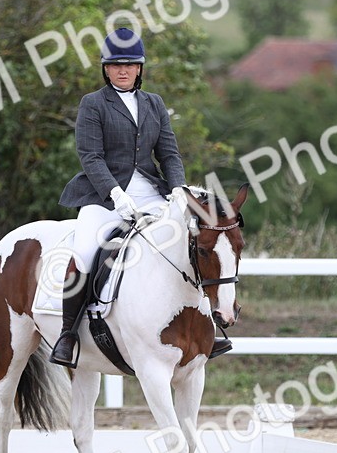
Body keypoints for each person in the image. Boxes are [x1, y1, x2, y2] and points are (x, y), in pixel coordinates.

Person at [50, 27, 231, 368]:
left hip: (151, 192)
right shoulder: (93, 104)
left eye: (130, 64)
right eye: (116, 65)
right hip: (104, 196)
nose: (123, 70)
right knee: (86, 253)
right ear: (105, 69)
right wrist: (114, 193)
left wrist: (178, 189)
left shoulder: (154, 104)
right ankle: (67, 334)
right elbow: (90, 156)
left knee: (190, 243)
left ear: (140, 68)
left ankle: (210, 325)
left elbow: (169, 153)